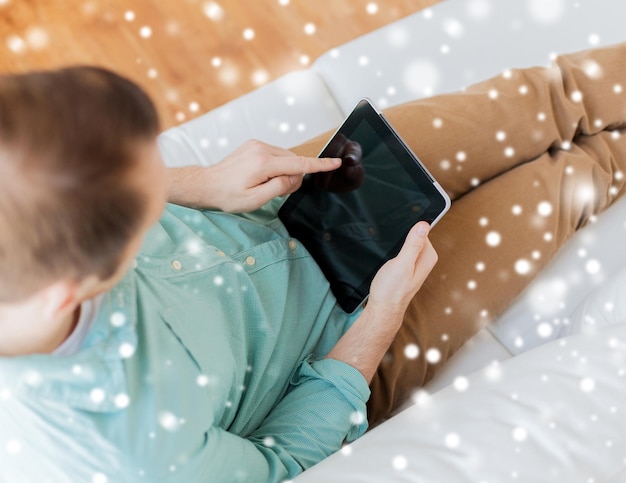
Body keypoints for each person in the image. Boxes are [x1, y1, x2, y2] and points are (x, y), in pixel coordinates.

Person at [0, 39, 624, 482]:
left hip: (277, 203)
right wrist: (382, 317)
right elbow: (284, 462)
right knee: (575, 179)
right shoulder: (142, 451)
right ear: (72, 290)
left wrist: (200, 182)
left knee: (538, 100)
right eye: (142, 205)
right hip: (345, 348)